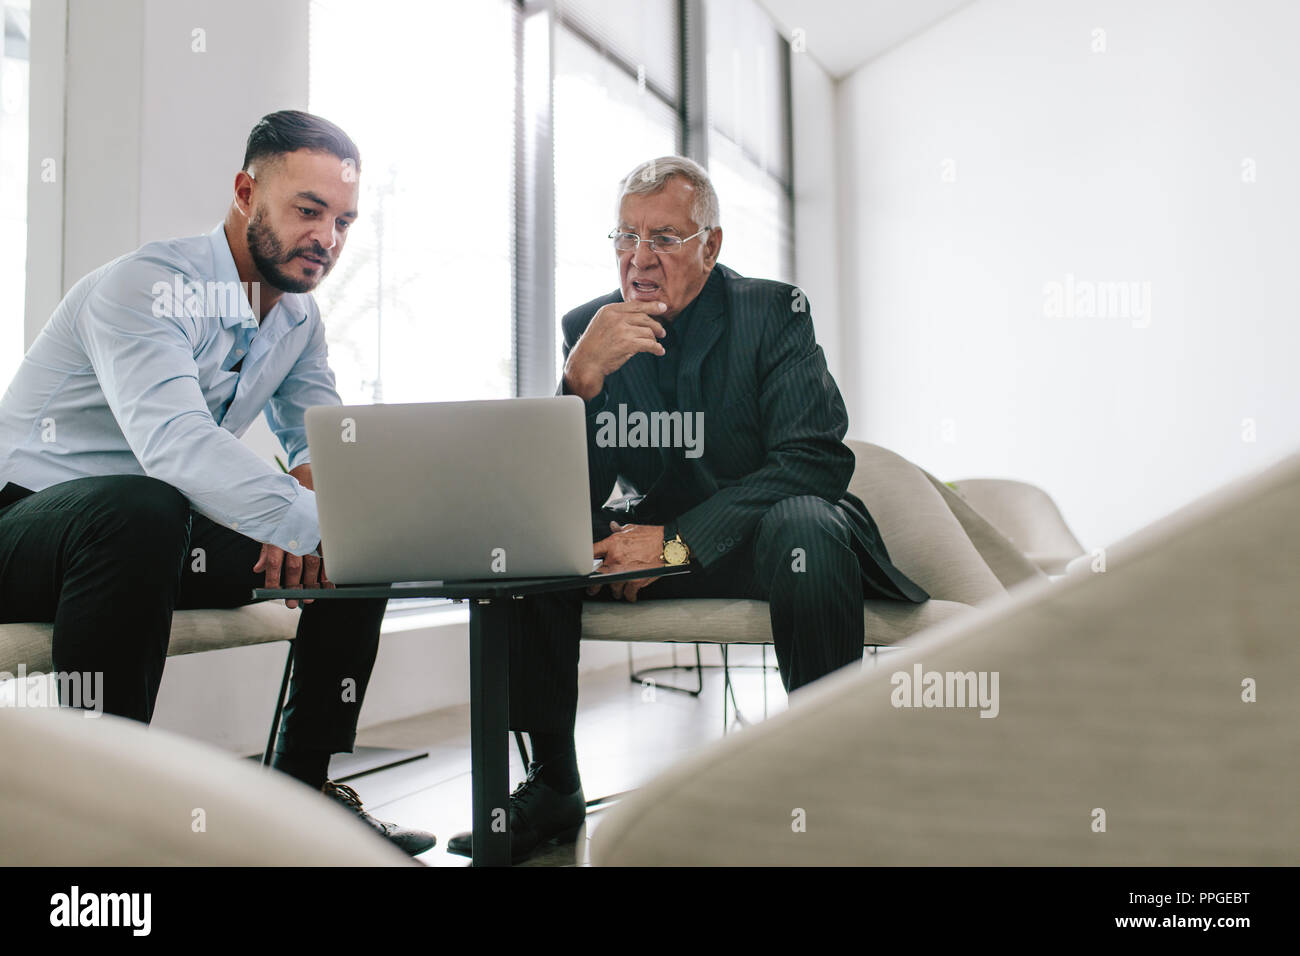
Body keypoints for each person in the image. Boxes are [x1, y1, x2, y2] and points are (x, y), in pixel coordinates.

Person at [447, 155, 928, 862]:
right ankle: (551, 784)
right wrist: (578, 383)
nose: (639, 258)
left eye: (665, 239)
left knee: (804, 522)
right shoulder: (591, 329)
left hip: (768, 545)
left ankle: (825, 779)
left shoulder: (773, 313)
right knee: (531, 533)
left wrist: (675, 542)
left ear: (711, 245)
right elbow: (566, 492)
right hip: (655, 548)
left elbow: (813, 459)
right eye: (626, 236)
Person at [0, 110, 435, 856]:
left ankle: (304, 802)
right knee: (144, 507)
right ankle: (96, 820)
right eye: (308, 211)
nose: (327, 239)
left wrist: (336, 521)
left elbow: (321, 443)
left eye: (343, 222)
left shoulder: (297, 319)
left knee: (361, 540)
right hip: (28, 527)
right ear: (245, 193)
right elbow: (175, 445)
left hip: (151, 539)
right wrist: (304, 522)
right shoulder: (145, 286)